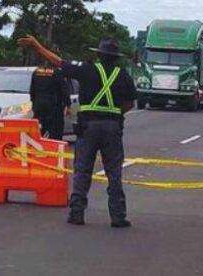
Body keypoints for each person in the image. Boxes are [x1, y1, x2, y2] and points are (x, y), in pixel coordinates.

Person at [17, 35, 136, 228]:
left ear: (99, 55)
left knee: (82, 171)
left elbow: (59, 62)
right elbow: (130, 103)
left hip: (88, 126)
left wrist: (37, 46)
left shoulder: (87, 70)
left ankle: (77, 213)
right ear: (116, 58)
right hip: (112, 127)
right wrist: (114, 114)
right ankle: (118, 216)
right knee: (114, 173)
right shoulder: (123, 75)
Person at [29, 62, 70, 140]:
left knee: (38, 132)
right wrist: (67, 104)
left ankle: (38, 147)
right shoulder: (57, 72)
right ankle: (53, 149)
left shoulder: (36, 72)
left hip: (39, 107)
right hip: (54, 107)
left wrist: (34, 104)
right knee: (55, 133)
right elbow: (64, 90)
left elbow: (32, 91)